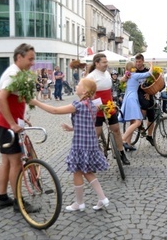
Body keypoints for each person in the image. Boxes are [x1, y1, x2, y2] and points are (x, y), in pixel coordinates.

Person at [30, 78, 110, 211]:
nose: (76, 85)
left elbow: (55, 111)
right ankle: (102, 198)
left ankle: (80, 203)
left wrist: (36, 102)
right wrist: (72, 128)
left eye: (78, 84)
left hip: (80, 145)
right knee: (87, 171)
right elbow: (87, 124)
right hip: (90, 144)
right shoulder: (92, 105)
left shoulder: (78, 105)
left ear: (84, 91)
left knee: (77, 172)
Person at [0, 43, 38, 211]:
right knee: (16, 163)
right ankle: (18, 201)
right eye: (30, 59)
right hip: (7, 126)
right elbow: (0, 99)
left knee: (6, 162)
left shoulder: (18, 72)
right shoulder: (13, 73)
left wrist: (20, 119)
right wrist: (12, 123)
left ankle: (3, 197)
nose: (32, 62)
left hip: (6, 124)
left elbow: (14, 100)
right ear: (19, 57)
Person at [85, 53, 130, 165]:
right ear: (97, 63)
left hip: (109, 106)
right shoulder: (91, 77)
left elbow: (111, 90)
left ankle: (121, 153)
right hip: (97, 108)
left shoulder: (107, 74)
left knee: (116, 129)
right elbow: (85, 94)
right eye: (104, 62)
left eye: (106, 62)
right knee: (97, 132)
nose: (106, 64)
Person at [119, 61, 153, 150]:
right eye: (134, 67)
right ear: (132, 69)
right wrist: (152, 65)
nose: (136, 68)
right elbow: (149, 73)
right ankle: (122, 138)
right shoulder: (134, 75)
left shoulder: (128, 76)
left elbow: (123, 81)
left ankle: (129, 144)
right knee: (138, 122)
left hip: (128, 98)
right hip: (132, 99)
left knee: (132, 122)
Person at [134, 53, 162, 146]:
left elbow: (152, 82)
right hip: (138, 93)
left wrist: (149, 93)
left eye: (139, 61)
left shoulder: (147, 71)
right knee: (144, 106)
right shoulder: (133, 72)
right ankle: (140, 123)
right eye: (136, 61)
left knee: (152, 116)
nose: (138, 63)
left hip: (148, 93)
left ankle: (149, 136)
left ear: (143, 61)